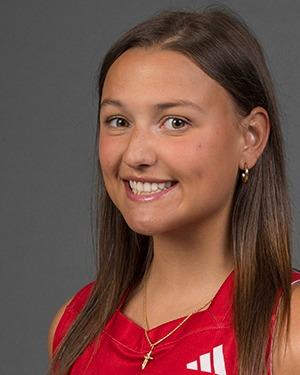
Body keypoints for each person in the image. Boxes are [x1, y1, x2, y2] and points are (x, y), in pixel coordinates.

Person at [48, 7, 300, 375]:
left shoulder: (289, 330)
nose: (136, 154)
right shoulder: (74, 327)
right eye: (119, 121)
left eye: (175, 122)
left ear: (251, 138)